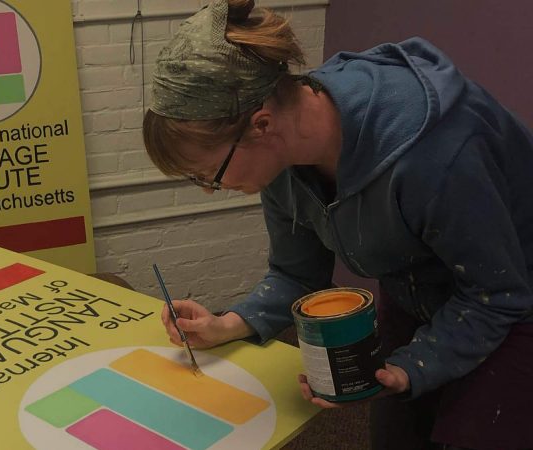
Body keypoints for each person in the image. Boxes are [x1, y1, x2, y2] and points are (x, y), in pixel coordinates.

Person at [142, 1, 533, 449]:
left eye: (209, 175)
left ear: (261, 125)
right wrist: (228, 324)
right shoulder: (282, 150)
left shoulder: (435, 156)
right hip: (416, 285)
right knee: (395, 437)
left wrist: (414, 366)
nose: (211, 190)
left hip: (512, 298)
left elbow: (497, 295)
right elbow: (297, 274)